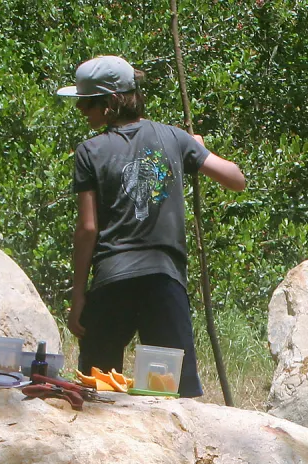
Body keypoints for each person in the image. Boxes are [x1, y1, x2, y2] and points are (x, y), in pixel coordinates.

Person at [57, 55, 246, 398]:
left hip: (112, 281)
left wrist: (78, 294)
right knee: (171, 392)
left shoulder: (90, 151)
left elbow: (87, 229)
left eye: (87, 103)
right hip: (164, 281)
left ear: (111, 103)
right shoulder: (174, 138)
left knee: (97, 391)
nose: (81, 111)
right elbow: (236, 179)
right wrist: (196, 149)